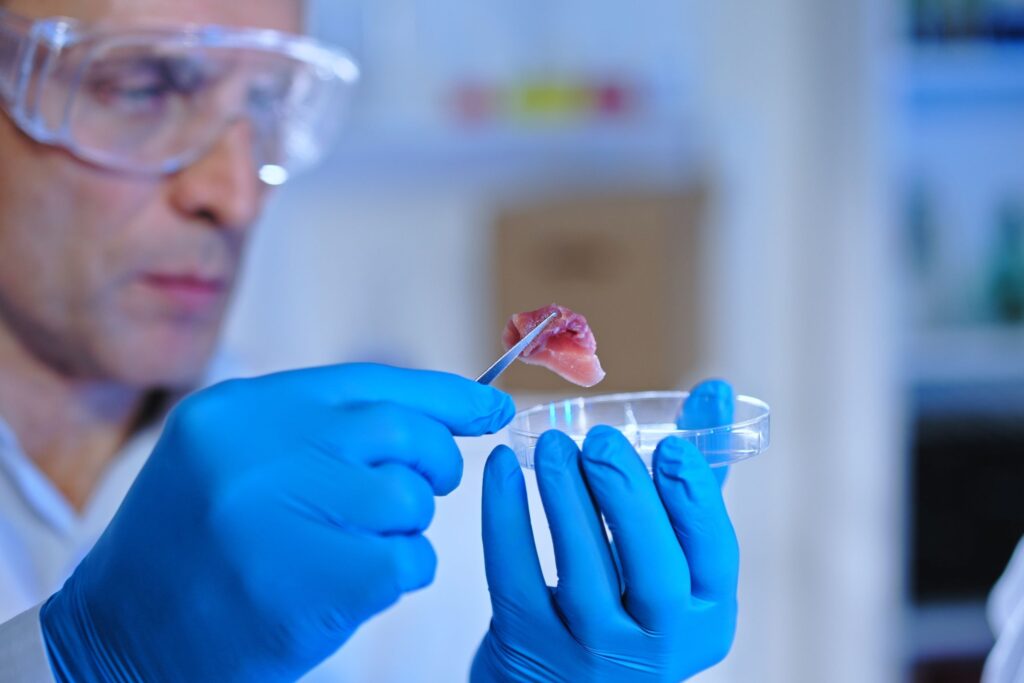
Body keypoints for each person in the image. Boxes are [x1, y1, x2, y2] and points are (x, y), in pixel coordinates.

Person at [0, 1, 741, 681]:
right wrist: (76, 660)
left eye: (265, 106)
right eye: (141, 88)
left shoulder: (396, 527)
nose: (234, 193)